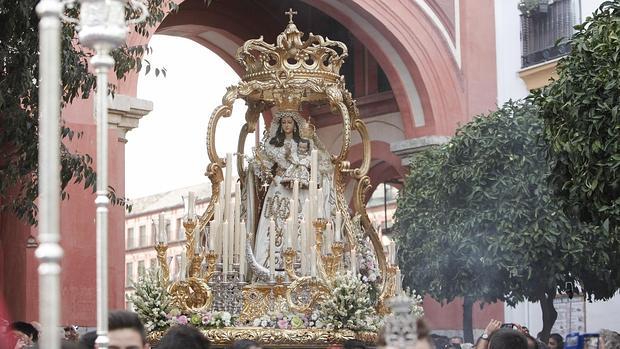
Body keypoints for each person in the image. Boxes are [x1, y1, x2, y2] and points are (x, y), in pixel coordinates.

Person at [251, 110, 333, 273]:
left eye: (289, 122)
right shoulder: (272, 144)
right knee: (275, 221)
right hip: (279, 186)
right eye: (284, 122)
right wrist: (262, 168)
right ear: (280, 126)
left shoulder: (304, 143)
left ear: (295, 125)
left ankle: (303, 263)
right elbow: (263, 165)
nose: (286, 125)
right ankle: (270, 263)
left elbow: (318, 161)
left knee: (301, 220)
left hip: (300, 187)